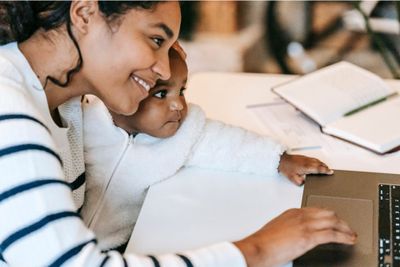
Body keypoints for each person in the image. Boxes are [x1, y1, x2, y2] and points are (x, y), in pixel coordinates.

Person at [0, 1, 356, 267]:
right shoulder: (11, 114)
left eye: (169, 49)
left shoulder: (64, 106)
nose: (162, 69)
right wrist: (258, 249)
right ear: (84, 14)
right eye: (155, 40)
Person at [81, 48, 338, 252]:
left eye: (181, 90)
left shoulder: (182, 133)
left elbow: (227, 144)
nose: (178, 105)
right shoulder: (84, 119)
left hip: (123, 247)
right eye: (161, 94)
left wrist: (279, 160)